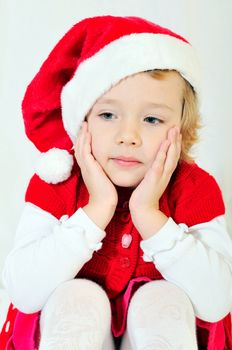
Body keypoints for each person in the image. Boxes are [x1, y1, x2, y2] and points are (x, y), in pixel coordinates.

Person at [0, 15, 231, 350]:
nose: (128, 136)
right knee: (77, 300)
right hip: (71, 326)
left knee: (162, 303)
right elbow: (22, 292)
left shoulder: (196, 188)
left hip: (159, 329)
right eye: (108, 115)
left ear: (181, 129)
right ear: (82, 123)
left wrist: (149, 215)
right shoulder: (56, 182)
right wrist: (97, 209)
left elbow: (217, 301)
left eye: (152, 119)